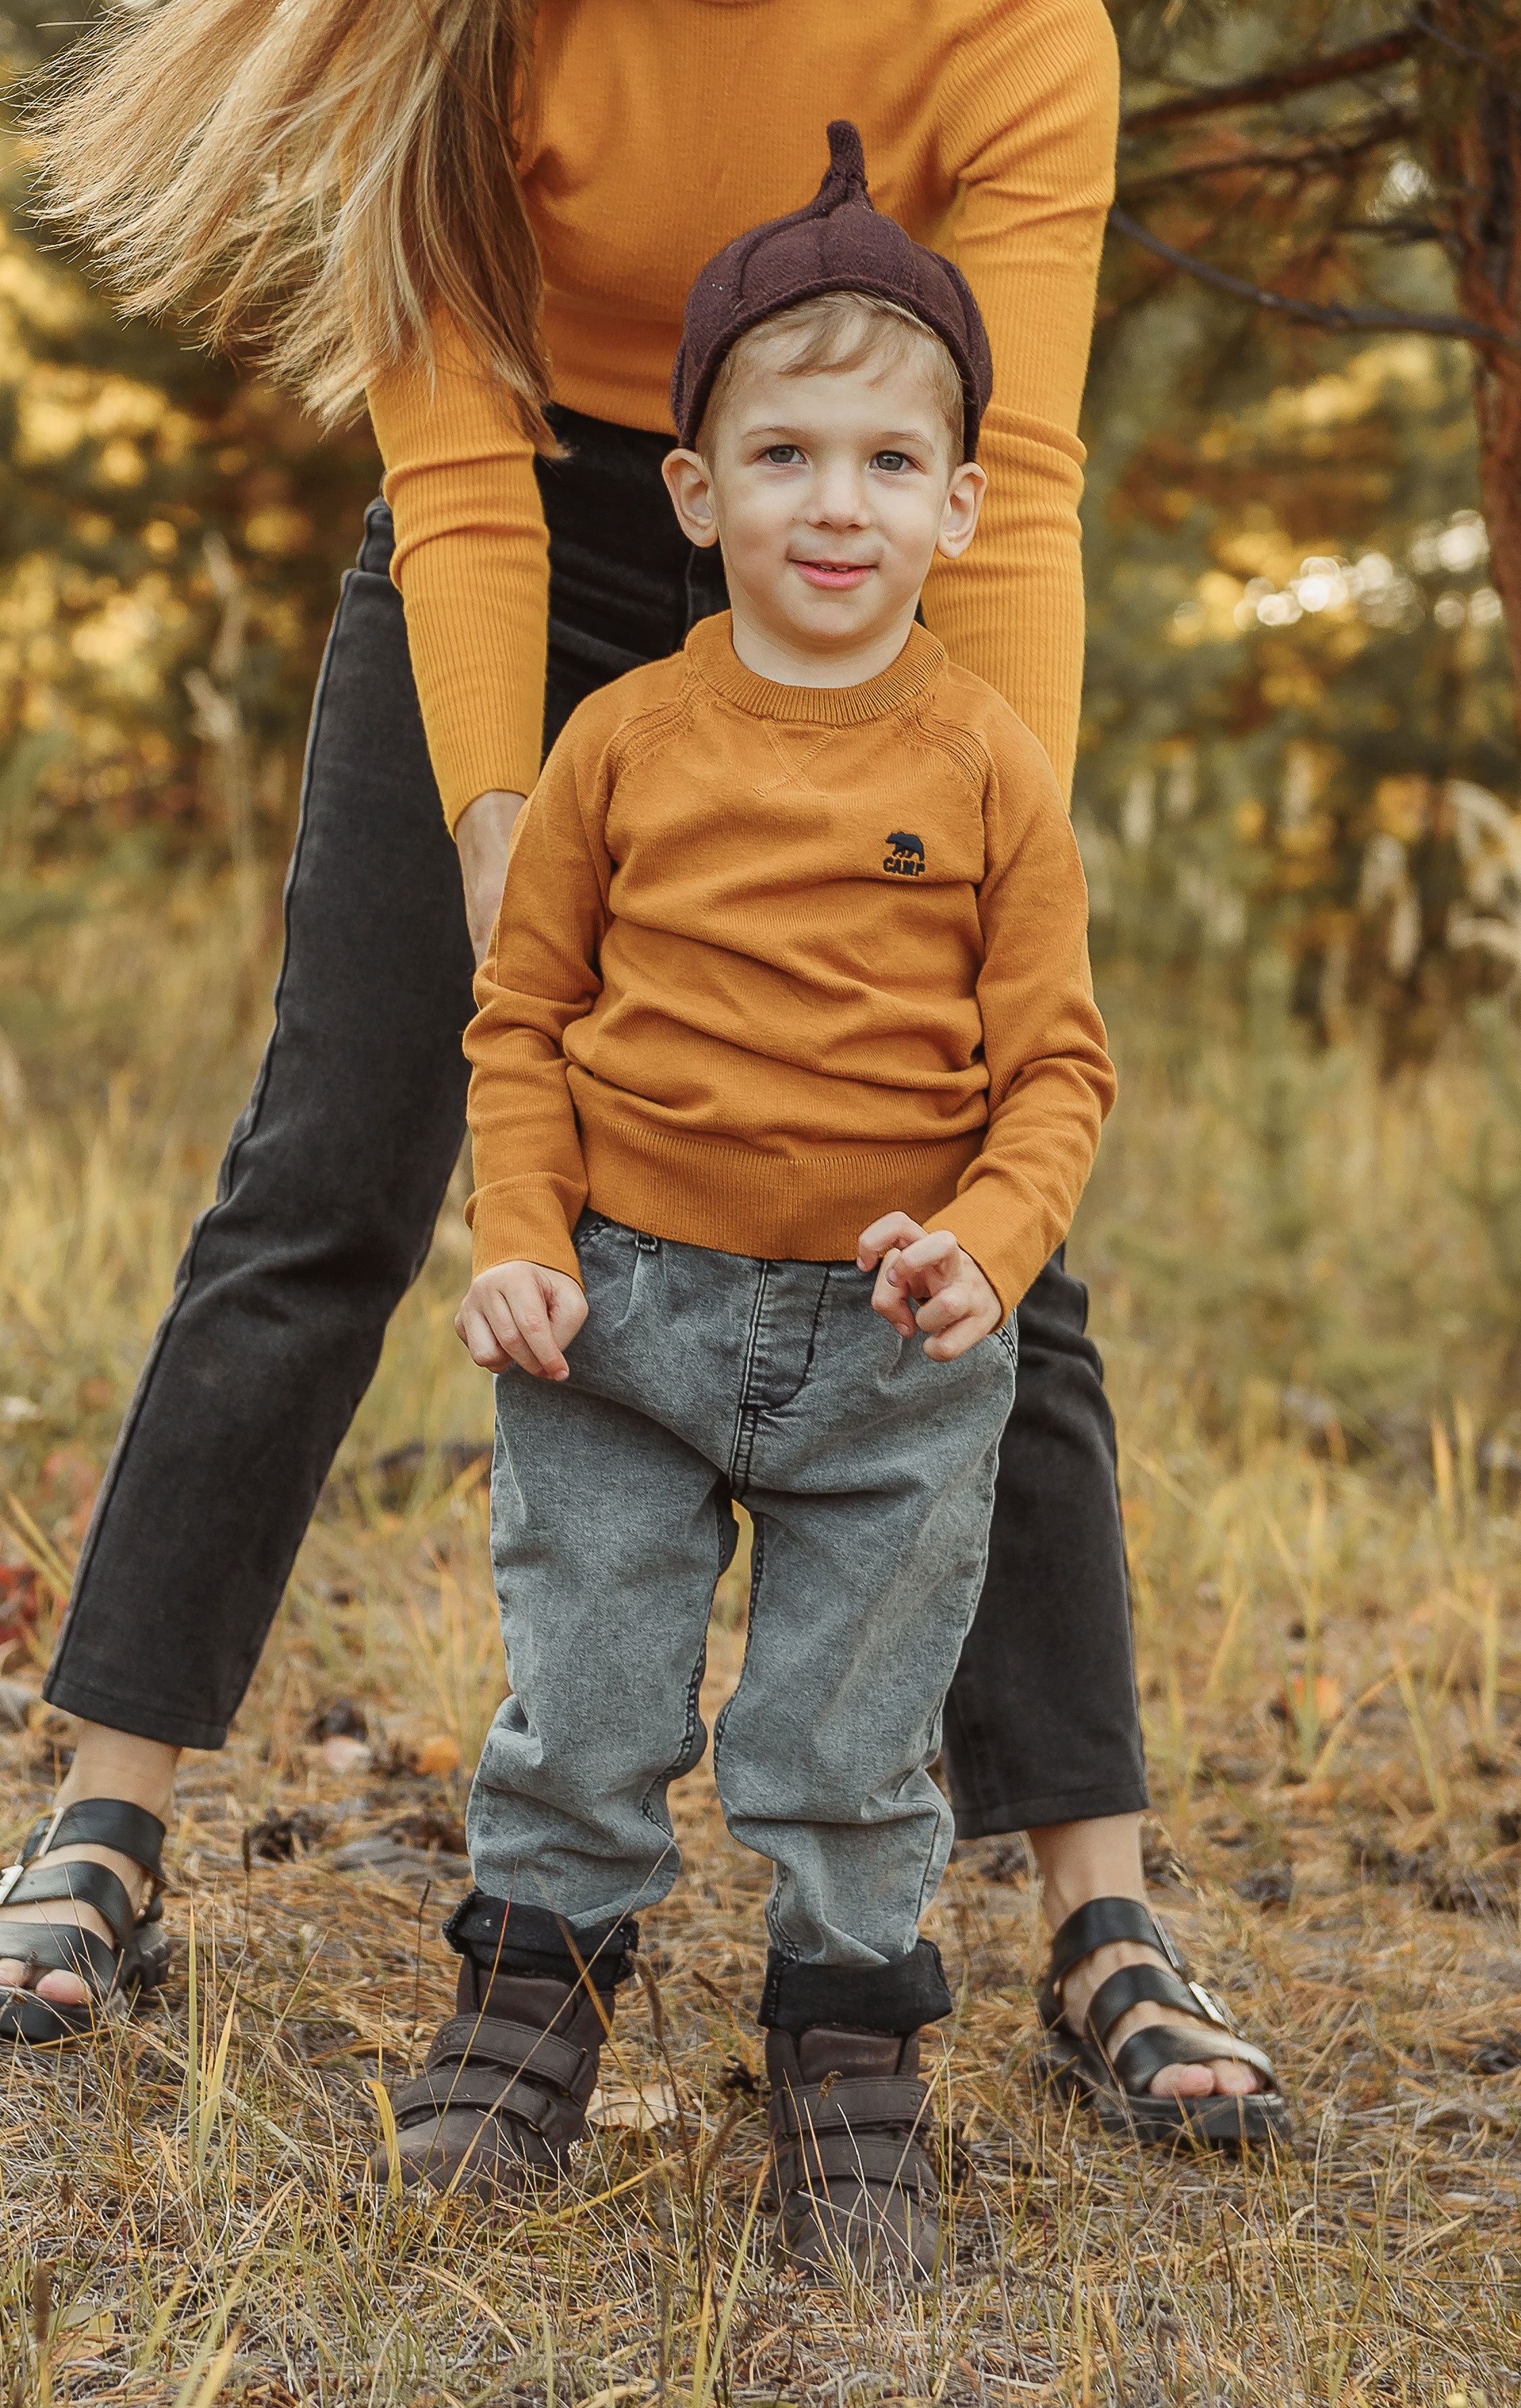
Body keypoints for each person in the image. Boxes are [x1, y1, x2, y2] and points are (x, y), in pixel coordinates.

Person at [8, 0, 1286, 2144]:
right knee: (329, 1168)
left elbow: (1025, 475)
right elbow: (452, 453)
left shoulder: (1015, 25)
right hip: (526, 522)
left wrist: (995, 873)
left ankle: (1104, 1914)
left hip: (864, 527)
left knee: (988, 1226)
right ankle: (102, 1821)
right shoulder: (465, 18)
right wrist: (503, 813)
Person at [378, 147, 1117, 2279]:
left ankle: (848, 2055)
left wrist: (990, 1241)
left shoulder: (992, 770)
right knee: (589, 1691)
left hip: (894, 1351)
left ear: (964, 508)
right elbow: (520, 1013)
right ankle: (533, 2002)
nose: (836, 501)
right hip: (616, 1321)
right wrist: (517, 1235)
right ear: (695, 491)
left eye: (894, 459)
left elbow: (1058, 1065)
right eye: (781, 450)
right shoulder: (621, 740)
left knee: (844, 1735)